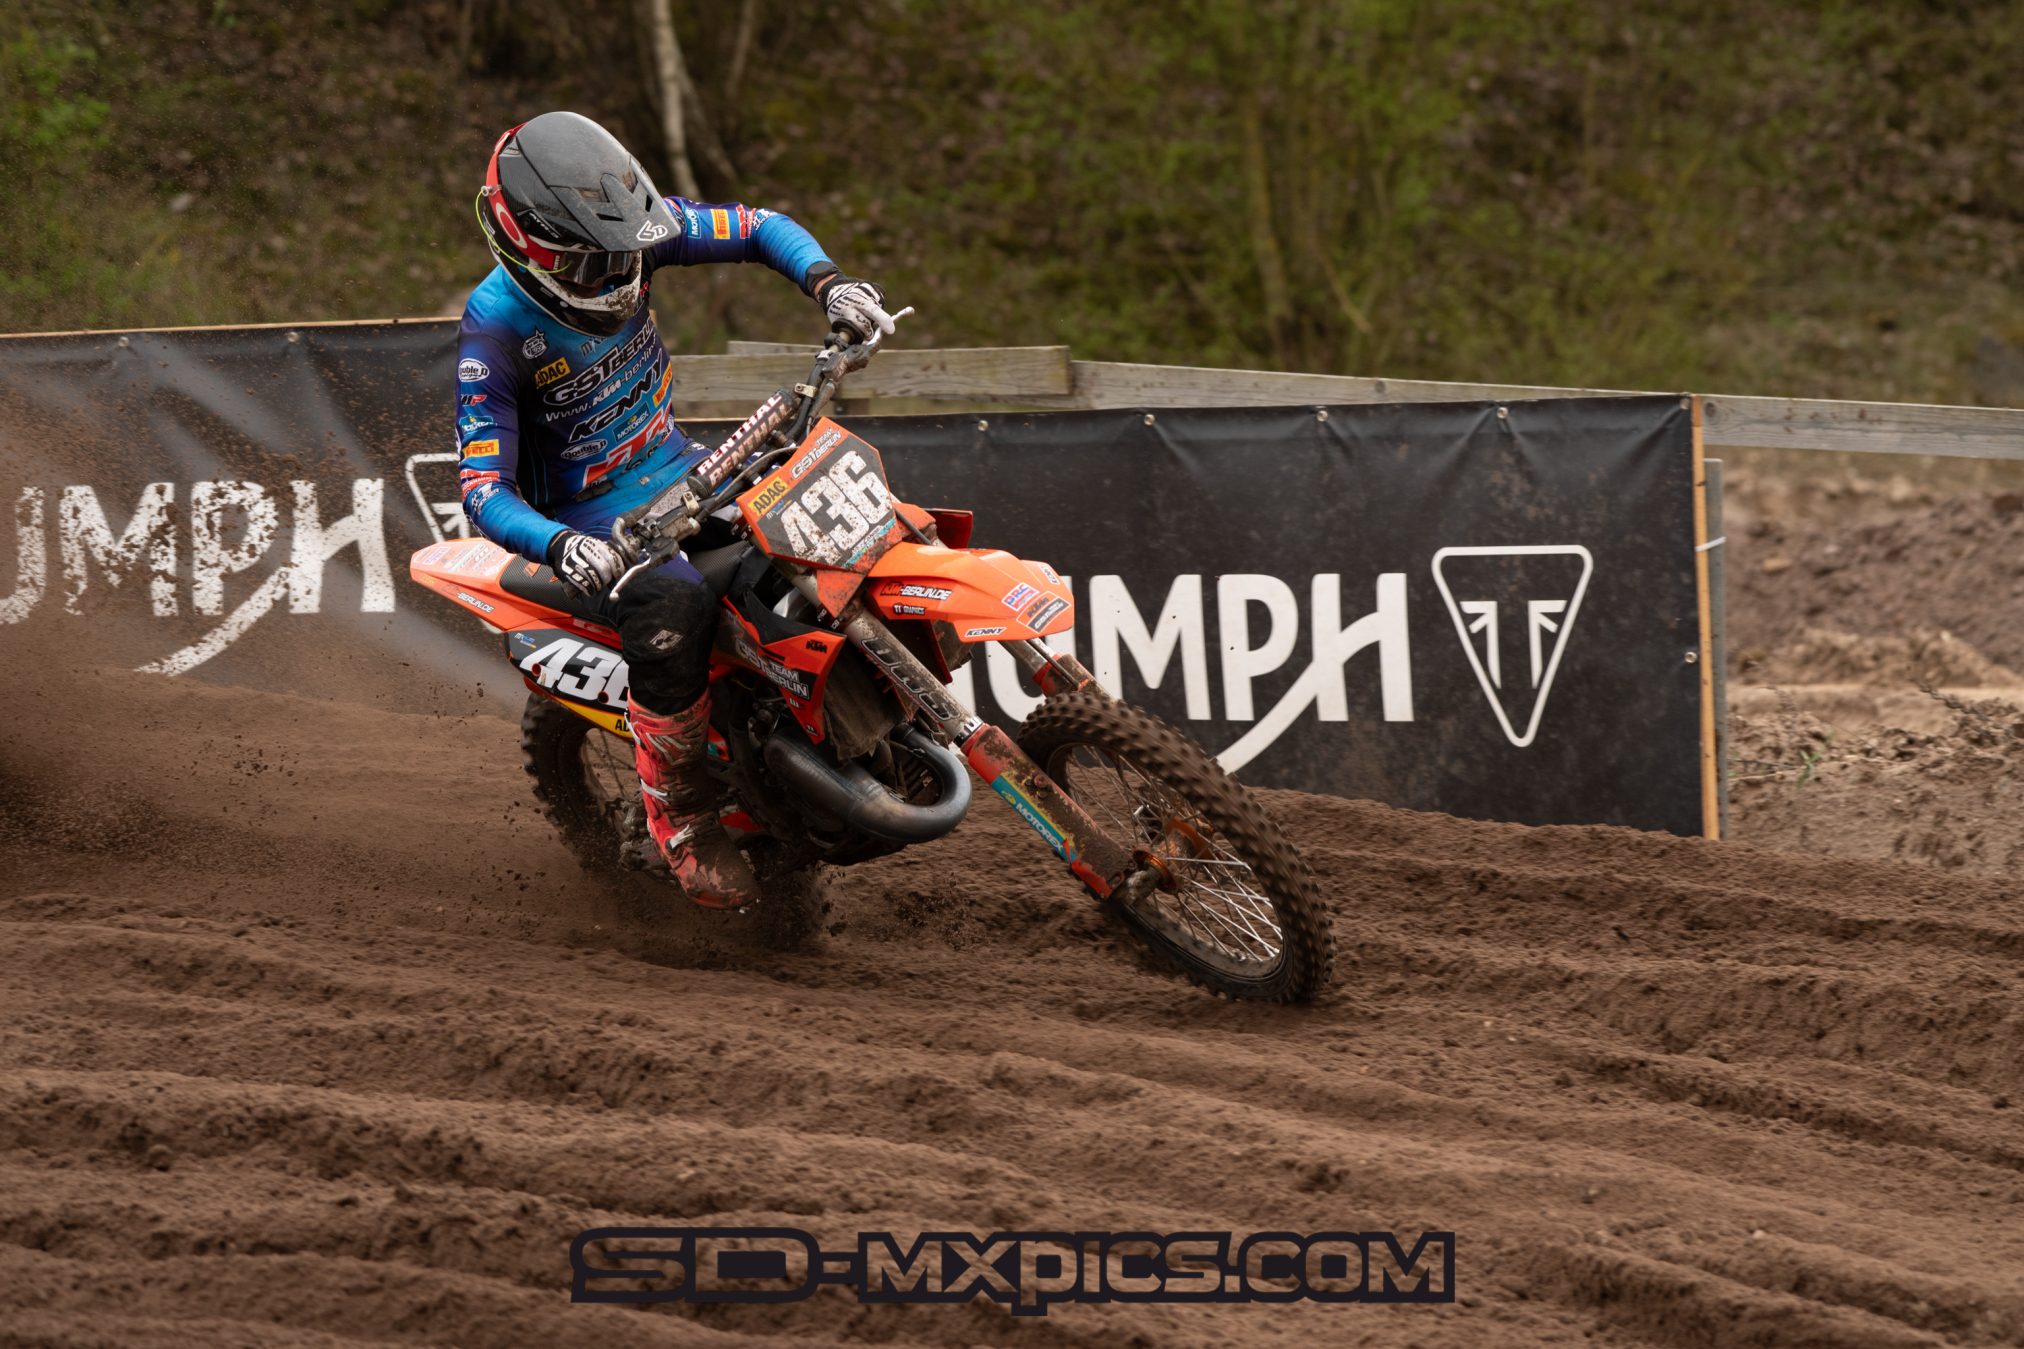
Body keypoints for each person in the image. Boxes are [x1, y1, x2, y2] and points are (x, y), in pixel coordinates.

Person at [453, 111, 893, 908]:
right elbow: (483, 489)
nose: (618, 273)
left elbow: (757, 226)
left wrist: (831, 283)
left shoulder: (631, 235)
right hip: (598, 526)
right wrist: (561, 546)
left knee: (809, 507)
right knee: (675, 600)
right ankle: (680, 812)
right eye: (593, 262)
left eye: (623, 253)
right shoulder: (495, 328)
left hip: (684, 468)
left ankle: (814, 731)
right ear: (531, 249)